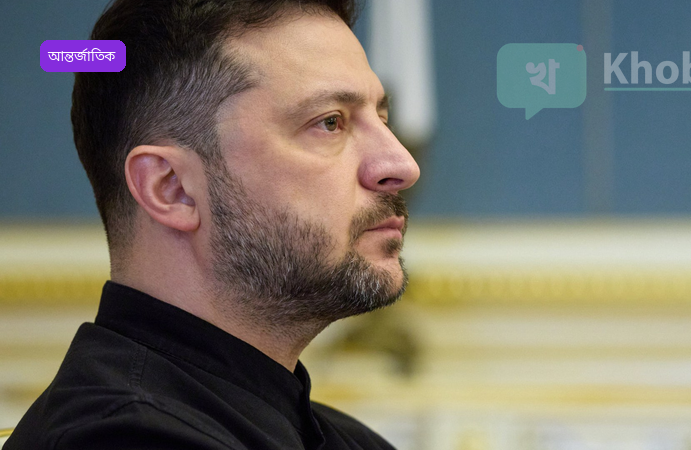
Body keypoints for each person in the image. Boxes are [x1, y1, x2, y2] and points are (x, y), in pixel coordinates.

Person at [5, 0, 419, 448]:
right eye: (330, 122)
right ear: (172, 189)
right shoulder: (125, 437)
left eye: (382, 119)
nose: (402, 164)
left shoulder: (349, 439)